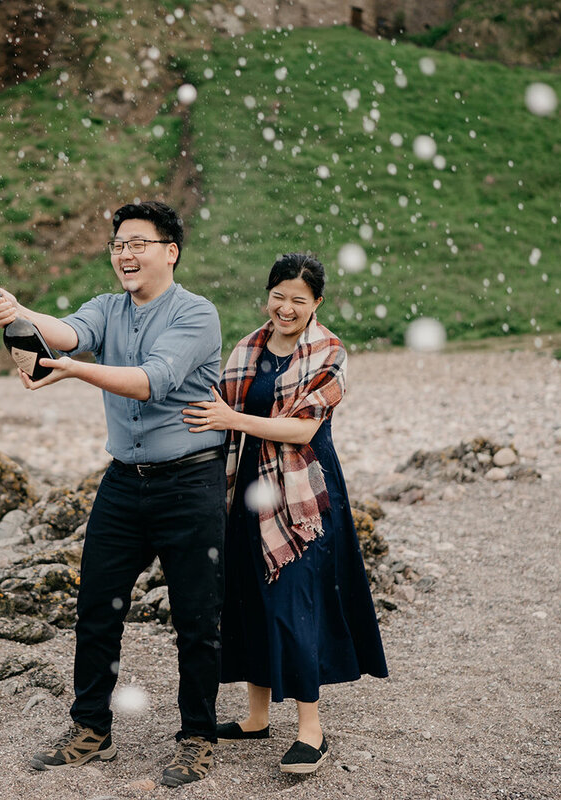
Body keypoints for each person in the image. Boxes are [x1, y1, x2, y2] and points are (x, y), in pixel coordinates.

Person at [0, 201, 227, 788]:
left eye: (138, 243)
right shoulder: (107, 308)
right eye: (118, 244)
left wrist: (68, 370)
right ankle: (90, 728)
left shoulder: (198, 315)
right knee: (96, 608)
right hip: (123, 481)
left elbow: (149, 381)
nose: (125, 254)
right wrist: (19, 314)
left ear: (170, 251)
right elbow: (67, 332)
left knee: (196, 619)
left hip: (192, 481)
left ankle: (197, 737)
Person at [182, 252, 388, 775]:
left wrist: (234, 418)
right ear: (267, 295)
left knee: (294, 602)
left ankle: (311, 731)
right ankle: (255, 717)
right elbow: (211, 403)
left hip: (303, 495)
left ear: (317, 303)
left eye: (299, 299)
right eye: (279, 296)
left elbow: (302, 431)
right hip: (246, 485)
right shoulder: (247, 347)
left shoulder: (329, 352)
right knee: (249, 596)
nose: (286, 307)